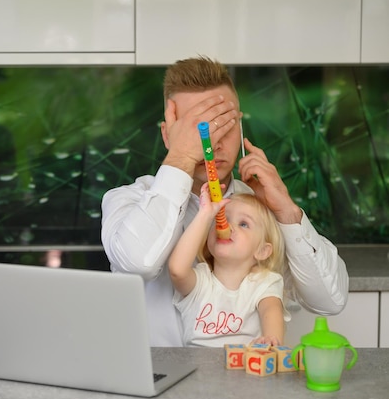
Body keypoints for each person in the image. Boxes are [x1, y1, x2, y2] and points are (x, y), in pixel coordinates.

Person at [101, 56, 349, 346]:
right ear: (169, 135)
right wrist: (181, 158)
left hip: (245, 385)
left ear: (241, 128)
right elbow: (139, 263)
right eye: (199, 130)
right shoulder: (126, 200)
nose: (214, 143)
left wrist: (287, 212)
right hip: (154, 385)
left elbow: (331, 301)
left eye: (226, 127)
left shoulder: (261, 211)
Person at [168, 184, 288, 347]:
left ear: (262, 251)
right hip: (198, 367)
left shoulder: (264, 283)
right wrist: (205, 214)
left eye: (244, 224)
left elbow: (271, 310)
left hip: (245, 367)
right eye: (220, 218)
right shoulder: (201, 282)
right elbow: (177, 270)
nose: (225, 226)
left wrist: (272, 340)